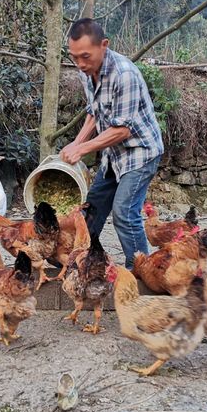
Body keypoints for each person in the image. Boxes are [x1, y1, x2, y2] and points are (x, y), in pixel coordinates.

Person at [60, 18, 164, 269]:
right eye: (74, 58)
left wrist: (82, 149)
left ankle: (140, 272)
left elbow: (122, 130)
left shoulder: (124, 74)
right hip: (114, 155)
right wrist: (76, 142)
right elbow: (94, 112)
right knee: (89, 211)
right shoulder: (87, 72)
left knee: (125, 213)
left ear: (104, 45)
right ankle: (82, 263)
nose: (80, 64)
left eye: (85, 56)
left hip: (140, 152)